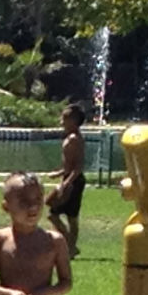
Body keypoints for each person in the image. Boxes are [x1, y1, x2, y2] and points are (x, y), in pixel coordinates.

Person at [46, 105, 86, 257]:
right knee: (60, 213)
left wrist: (67, 182)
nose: (61, 121)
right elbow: (70, 165)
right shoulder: (70, 137)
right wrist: (59, 174)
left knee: (62, 215)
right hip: (69, 178)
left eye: (64, 118)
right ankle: (70, 247)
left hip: (74, 181)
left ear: (73, 121)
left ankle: (70, 246)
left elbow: (79, 166)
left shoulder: (75, 139)